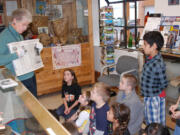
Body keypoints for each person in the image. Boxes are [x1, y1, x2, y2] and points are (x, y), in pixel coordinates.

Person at [0, 8, 43, 97]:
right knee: (25, 108)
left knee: (34, 103)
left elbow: (25, 55)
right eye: (24, 24)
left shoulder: (19, 35)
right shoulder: (4, 37)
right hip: (19, 79)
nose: (25, 28)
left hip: (30, 75)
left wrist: (36, 50)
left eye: (27, 25)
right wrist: (15, 55)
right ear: (15, 20)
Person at [141, 31, 168, 125]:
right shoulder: (150, 58)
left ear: (154, 46)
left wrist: (157, 93)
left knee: (154, 125)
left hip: (154, 98)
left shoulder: (158, 64)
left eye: (145, 44)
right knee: (152, 120)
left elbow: (164, 83)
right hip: (148, 96)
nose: (143, 47)